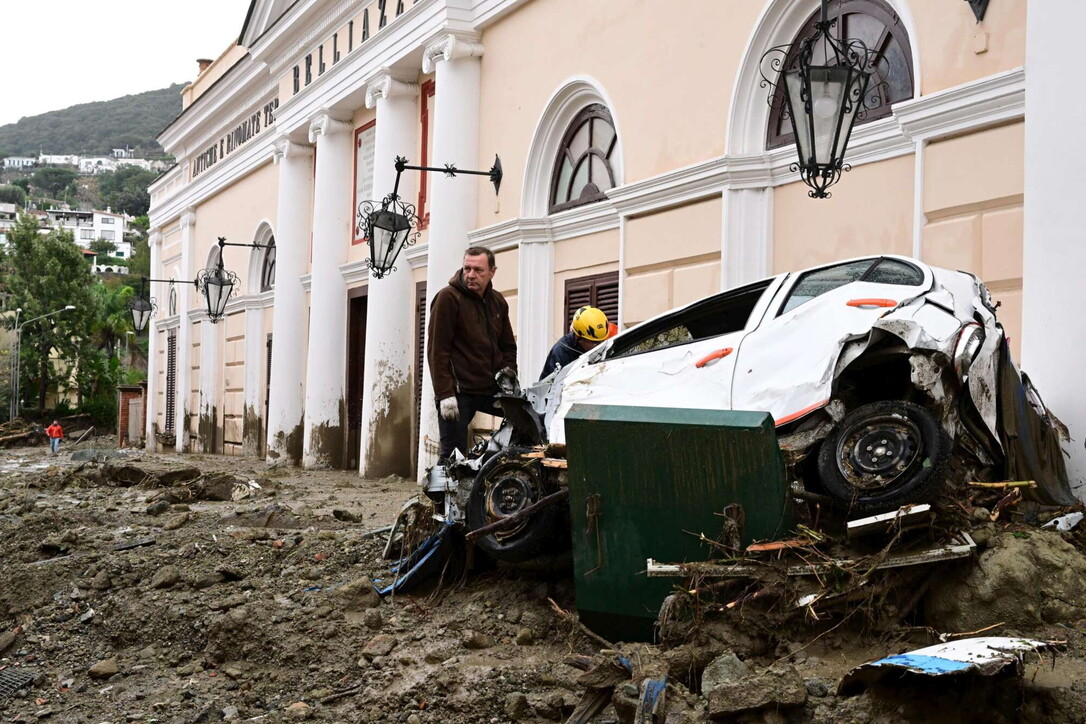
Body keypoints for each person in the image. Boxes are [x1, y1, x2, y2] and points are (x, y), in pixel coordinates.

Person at [427, 246, 518, 461]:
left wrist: (509, 375)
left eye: (478, 270)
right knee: (452, 455)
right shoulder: (448, 298)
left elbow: (507, 346)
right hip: (459, 392)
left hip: (490, 388)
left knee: (526, 422)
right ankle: (443, 484)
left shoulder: (498, 302)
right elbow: (437, 350)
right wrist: (445, 394)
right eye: (467, 268)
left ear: (492, 272)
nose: (471, 275)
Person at [539, 306, 614, 380]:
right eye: (595, 342)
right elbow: (555, 385)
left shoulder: (601, 342)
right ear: (579, 338)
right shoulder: (561, 352)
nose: (600, 345)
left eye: (602, 341)